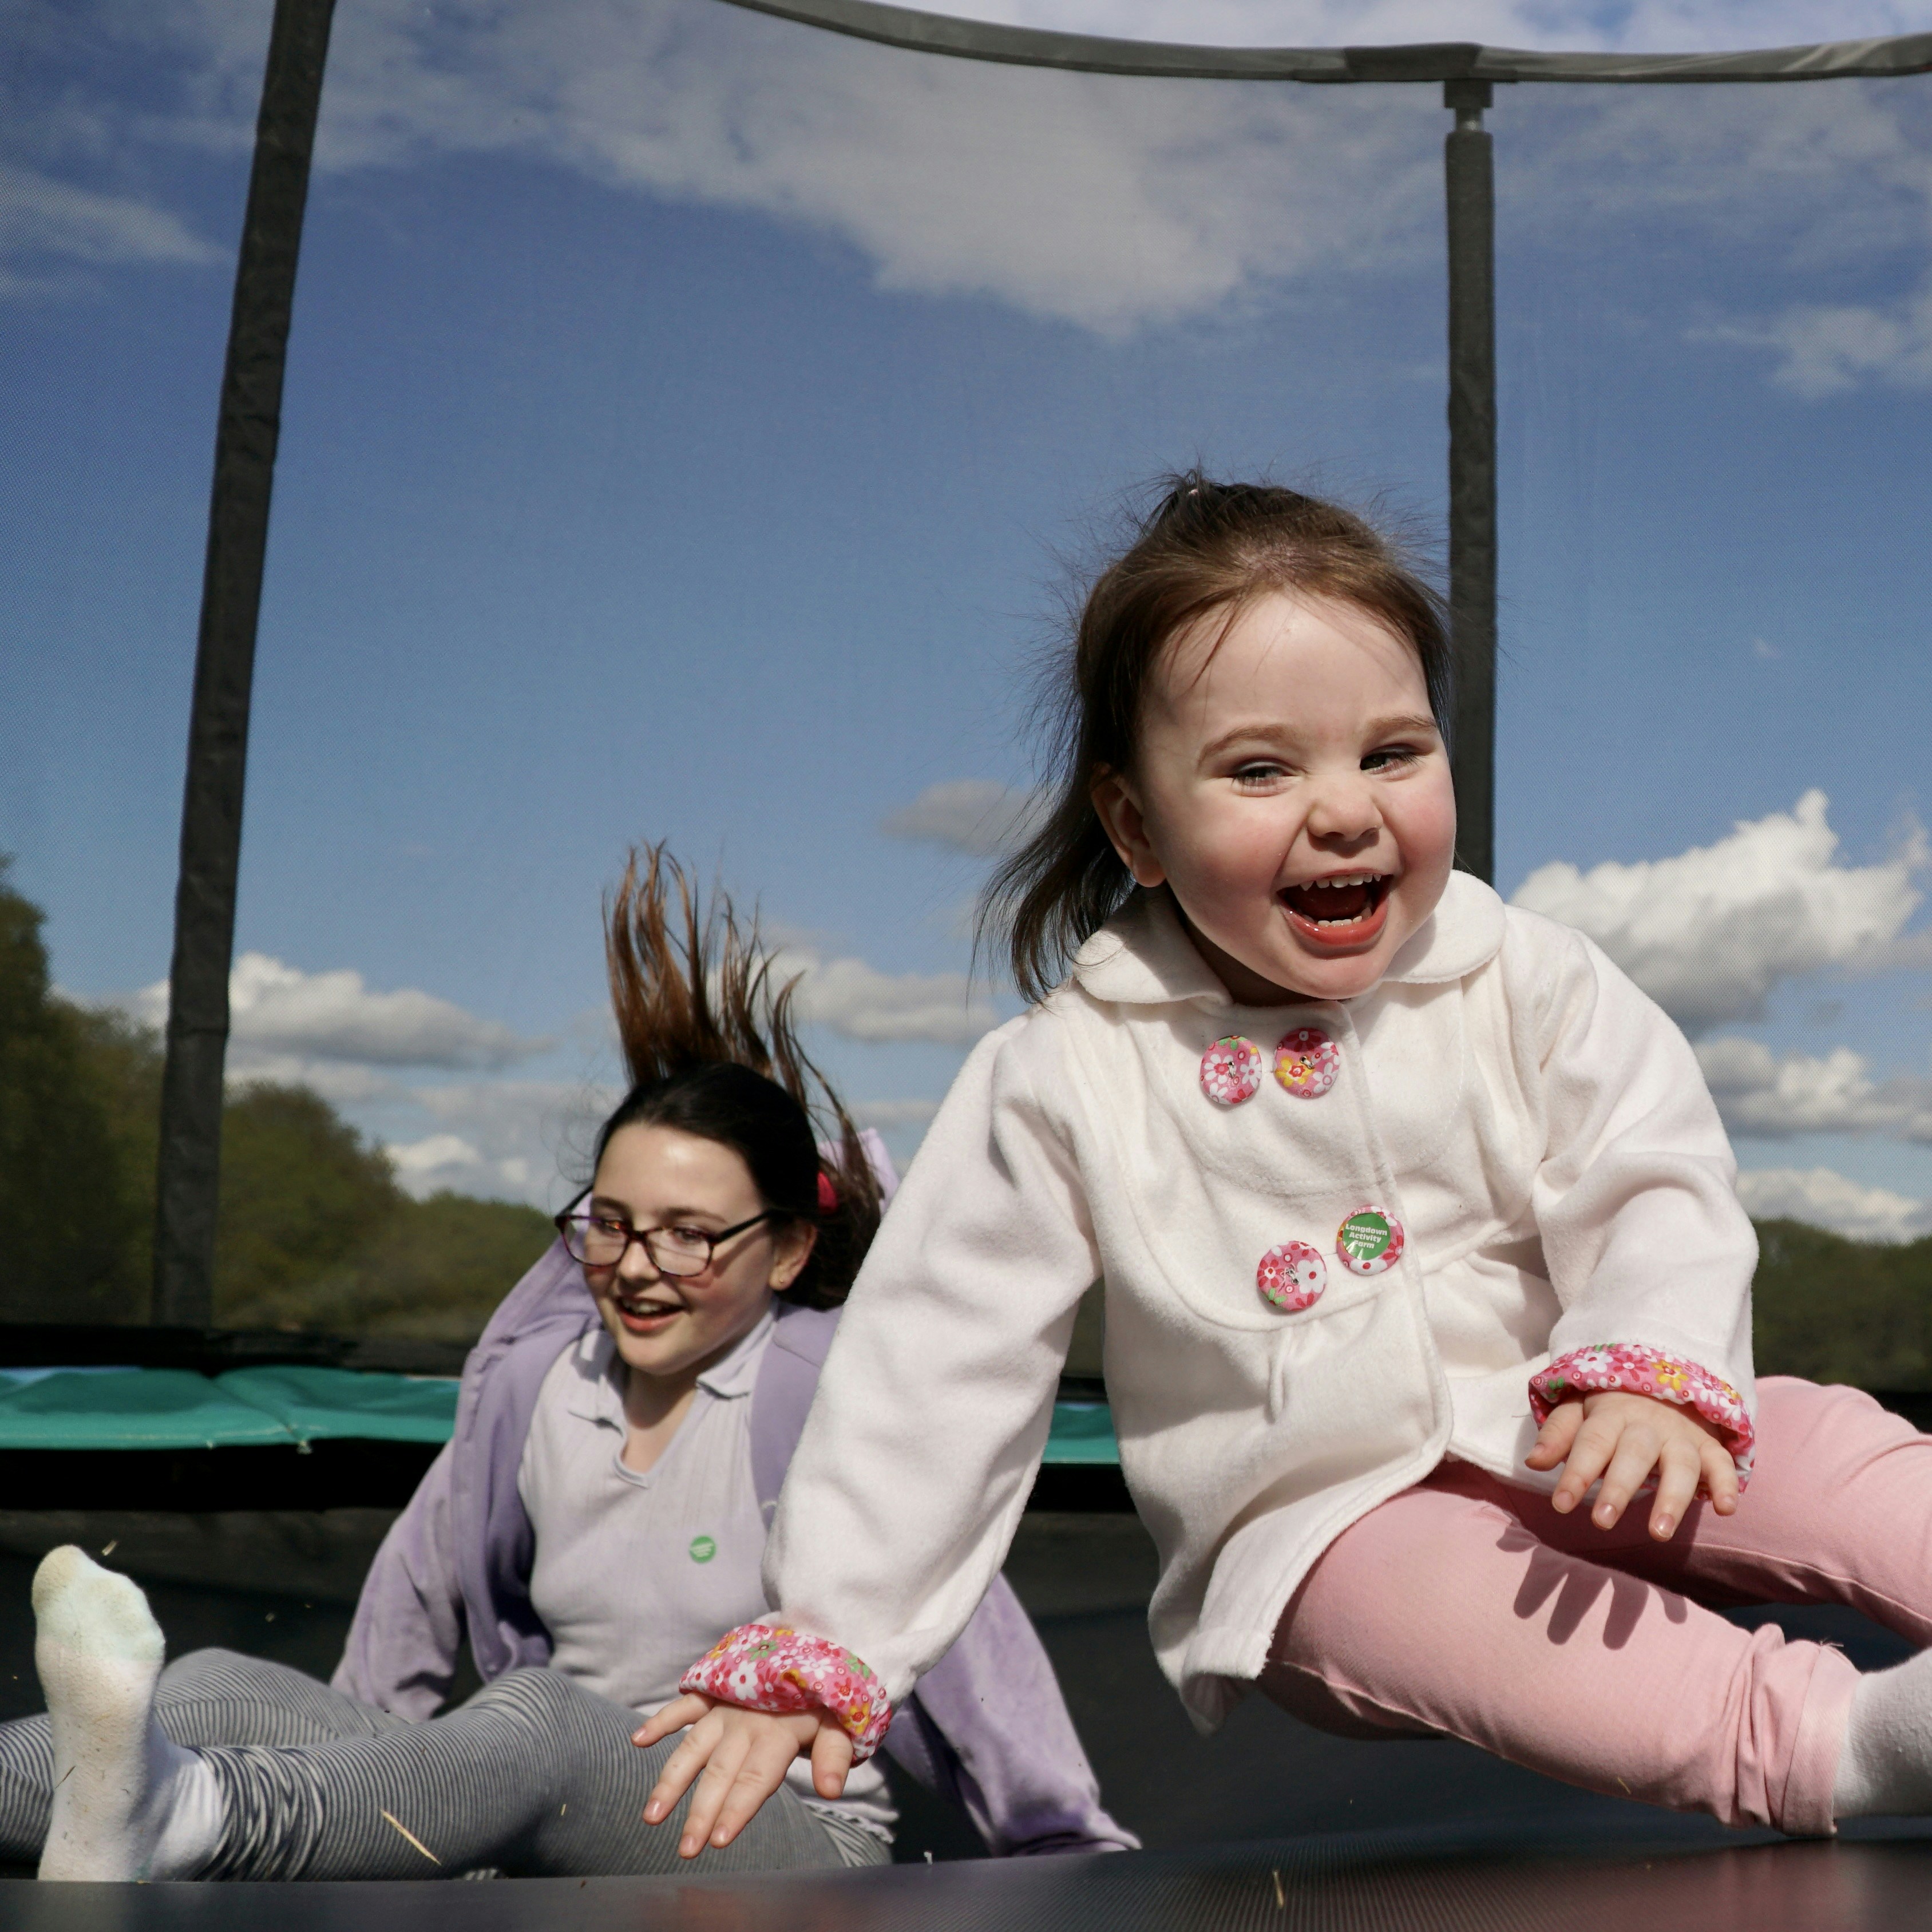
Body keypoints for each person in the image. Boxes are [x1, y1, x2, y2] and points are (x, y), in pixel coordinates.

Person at [634, 474, 1932, 1859]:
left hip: (1581, 1419)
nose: (1343, 811)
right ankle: (1841, 1742)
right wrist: (826, 1633)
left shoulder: (1517, 972)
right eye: (1260, 770)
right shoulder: (1068, 1073)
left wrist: (1649, 1356)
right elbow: (934, 1366)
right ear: (1135, 827)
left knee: (1828, 1446)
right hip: (1324, 1527)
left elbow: (1650, 1168)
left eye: (1391, 752)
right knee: (1424, 1597)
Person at [10, 848, 1133, 1882]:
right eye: (610, 1223)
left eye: (690, 1233)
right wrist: (364, 1813)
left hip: (768, 1835)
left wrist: (1077, 1854)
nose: (638, 1266)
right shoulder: (538, 1389)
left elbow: (967, 1626)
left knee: (543, 1716)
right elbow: (408, 1603)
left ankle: (193, 1819)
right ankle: (145, 1797)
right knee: (211, 1686)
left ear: (788, 1246)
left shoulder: (825, 1398)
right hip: (532, 1802)